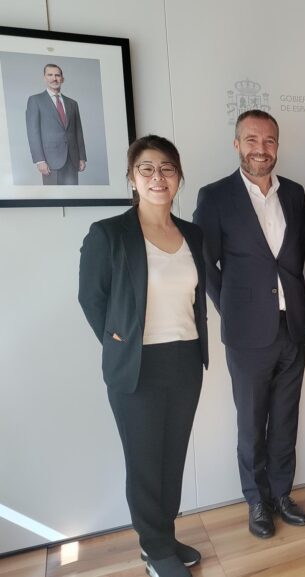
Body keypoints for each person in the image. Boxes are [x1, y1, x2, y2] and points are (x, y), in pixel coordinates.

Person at [78, 135, 208, 577]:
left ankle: (164, 537)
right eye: (147, 169)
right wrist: (121, 343)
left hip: (185, 359)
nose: (158, 177)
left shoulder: (193, 234)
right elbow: (91, 299)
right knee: (144, 460)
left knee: (172, 456)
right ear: (132, 178)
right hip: (136, 367)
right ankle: (154, 549)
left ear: (179, 178)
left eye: (167, 168)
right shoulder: (109, 234)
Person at [194, 110, 305, 538]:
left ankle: (282, 494)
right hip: (247, 333)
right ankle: (257, 500)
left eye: (269, 141)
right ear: (237, 144)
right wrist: (232, 307)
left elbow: (294, 258)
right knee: (251, 423)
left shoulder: (294, 193)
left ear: (277, 145)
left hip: (292, 326)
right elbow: (204, 263)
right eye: (252, 140)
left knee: (285, 420)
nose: (261, 149)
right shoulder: (216, 196)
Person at [26, 64, 86, 185]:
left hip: (72, 159)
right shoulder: (35, 100)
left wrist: (82, 157)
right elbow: (33, 133)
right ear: (45, 78)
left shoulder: (72, 103)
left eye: (57, 75)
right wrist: (40, 160)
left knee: (73, 195)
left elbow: (78, 131)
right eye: (50, 75)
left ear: (62, 79)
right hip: (50, 161)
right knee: (53, 195)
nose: (54, 78)